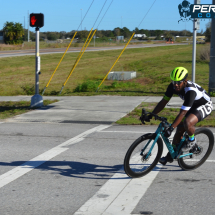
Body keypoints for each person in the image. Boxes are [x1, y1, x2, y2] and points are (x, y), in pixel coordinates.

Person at [149, 67, 213, 165]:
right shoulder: (172, 86)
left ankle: (192, 140)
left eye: (179, 82)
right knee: (179, 130)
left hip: (204, 104)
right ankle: (170, 156)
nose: (176, 84)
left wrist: (171, 128)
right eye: (174, 81)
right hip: (192, 105)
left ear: (185, 81)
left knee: (187, 122)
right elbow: (163, 102)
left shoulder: (190, 91)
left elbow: (182, 113)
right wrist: (151, 115)